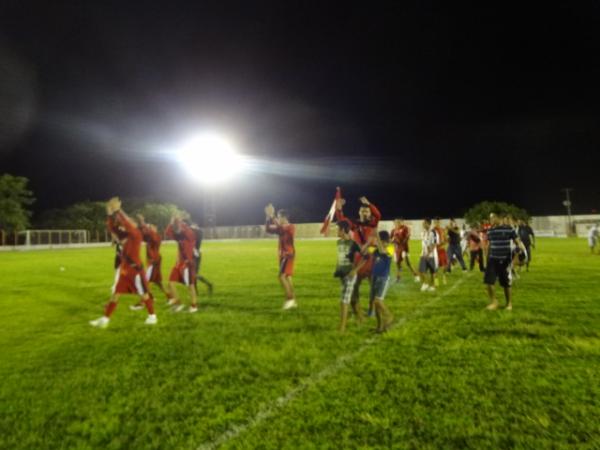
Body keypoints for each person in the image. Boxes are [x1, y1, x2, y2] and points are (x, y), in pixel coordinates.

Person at [90, 197, 156, 328]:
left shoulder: (136, 234)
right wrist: (110, 213)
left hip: (136, 270)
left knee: (144, 295)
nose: (129, 222)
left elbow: (125, 222)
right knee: (116, 294)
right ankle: (105, 319)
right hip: (126, 270)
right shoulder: (126, 235)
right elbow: (112, 228)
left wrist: (118, 210)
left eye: (132, 222)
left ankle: (152, 316)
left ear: (135, 225)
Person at [335, 195, 381, 317]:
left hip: (371, 260)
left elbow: (378, 215)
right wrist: (339, 209)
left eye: (367, 211)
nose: (364, 213)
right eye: (362, 210)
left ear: (370, 213)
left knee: (373, 289)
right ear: (359, 212)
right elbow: (342, 221)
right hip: (358, 261)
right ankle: (358, 311)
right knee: (355, 288)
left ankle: (371, 310)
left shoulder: (373, 223)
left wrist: (369, 203)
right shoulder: (355, 224)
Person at [484, 213, 526, 311]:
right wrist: (487, 258)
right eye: (491, 218)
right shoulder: (490, 231)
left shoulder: (509, 229)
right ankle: (494, 302)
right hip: (492, 260)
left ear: (499, 218)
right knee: (489, 282)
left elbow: (518, 243)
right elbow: (490, 245)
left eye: (493, 217)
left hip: (505, 260)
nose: (491, 220)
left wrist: (519, 256)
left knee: (506, 284)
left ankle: (509, 303)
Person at [130, 214, 169, 310]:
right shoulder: (151, 236)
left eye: (152, 226)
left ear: (155, 228)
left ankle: (142, 303)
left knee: (145, 282)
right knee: (158, 282)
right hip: (154, 260)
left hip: (153, 261)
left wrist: (142, 222)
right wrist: (139, 225)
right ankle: (170, 297)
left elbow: (147, 232)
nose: (150, 227)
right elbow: (143, 234)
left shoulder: (156, 236)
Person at [333, 221, 365, 332]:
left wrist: (355, 270)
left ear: (343, 230)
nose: (336, 231)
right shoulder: (338, 242)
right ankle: (361, 319)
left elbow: (365, 257)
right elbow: (340, 257)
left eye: (337, 229)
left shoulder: (353, 243)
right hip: (342, 274)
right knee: (352, 300)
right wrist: (337, 268)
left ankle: (342, 327)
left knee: (344, 300)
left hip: (349, 275)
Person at [265, 203, 297, 309]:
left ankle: (290, 299)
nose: (278, 219)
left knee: (281, 276)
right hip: (283, 255)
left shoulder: (290, 227)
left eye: (279, 217)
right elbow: (268, 229)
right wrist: (268, 217)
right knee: (287, 277)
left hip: (288, 255)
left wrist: (272, 216)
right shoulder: (282, 227)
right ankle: (293, 300)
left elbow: (281, 228)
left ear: (284, 218)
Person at [165, 215, 199, 313]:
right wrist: (171, 222)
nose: (176, 230)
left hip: (188, 263)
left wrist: (179, 222)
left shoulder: (189, 234)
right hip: (179, 263)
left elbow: (185, 231)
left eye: (178, 227)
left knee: (190, 285)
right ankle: (178, 304)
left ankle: (194, 306)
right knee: (170, 283)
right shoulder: (178, 235)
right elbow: (168, 232)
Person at [367, 230, 395, 333]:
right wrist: (369, 242)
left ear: (385, 241)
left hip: (383, 278)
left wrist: (377, 237)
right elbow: (366, 251)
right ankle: (379, 327)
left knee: (378, 301)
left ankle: (389, 316)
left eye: (380, 240)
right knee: (375, 304)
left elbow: (383, 252)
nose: (377, 241)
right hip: (374, 277)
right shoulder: (377, 249)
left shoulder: (391, 248)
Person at [391, 218, 419, 283]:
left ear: (401, 222)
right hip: (397, 250)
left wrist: (400, 241)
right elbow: (391, 239)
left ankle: (416, 276)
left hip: (404, 248)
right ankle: (398, 278)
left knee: (408, 263)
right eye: (395, 222)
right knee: (398, 264)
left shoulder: (405, 228)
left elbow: (407, 237)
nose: (397, 223)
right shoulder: (393, 230)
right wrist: (393, 241)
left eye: (398, 222)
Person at [189, 223, 214, 295]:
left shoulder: (197, 233)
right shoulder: (197, 233)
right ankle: (196, 292)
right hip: (195, 254)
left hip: (195, 255)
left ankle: (208, 284)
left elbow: (194, 230)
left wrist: (191, 227)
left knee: (193, 275)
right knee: (193, 275)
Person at [419, 219, 438, 292]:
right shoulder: (423, 232)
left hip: (431, 255)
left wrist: (428, 253)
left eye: (424, 223)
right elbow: (424, 243)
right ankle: (425, 283)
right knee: (421, 270)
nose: (423, 224)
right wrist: (424, 253)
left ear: (428, 224)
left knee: (432, 271)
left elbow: (434, 244)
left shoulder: (433, 232)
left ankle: (433, 286)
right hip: (423, 254)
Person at [433, 218, 448, 285]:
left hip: (442, 249)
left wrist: (444, 242)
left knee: (444, 265)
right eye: (435, 222)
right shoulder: (432, 231)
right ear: (434, 223)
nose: (437, 223)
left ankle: (444, 277)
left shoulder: (442, 230)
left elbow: (445, 239)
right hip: (435, 251)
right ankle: (436, 279)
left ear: (440, 222)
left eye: (438, 222)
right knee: (436, 266)